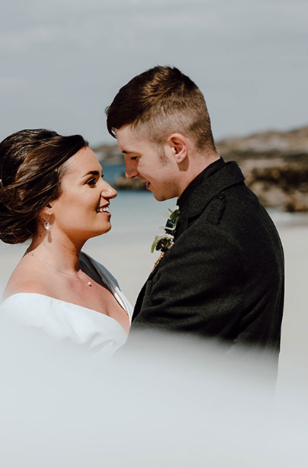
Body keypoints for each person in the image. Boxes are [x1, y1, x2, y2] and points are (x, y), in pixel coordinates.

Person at [106, 66, 284, 367]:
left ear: (177, 148)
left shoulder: (213, 237)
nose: (129, 172)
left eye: (134, 156)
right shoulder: (236, 205)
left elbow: (141, 369)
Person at [0, 129, 133, 356]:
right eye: (91, 181)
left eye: (102, 177)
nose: (110, 190)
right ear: (47, 203)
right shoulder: (28, 310)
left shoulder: (92, 270)